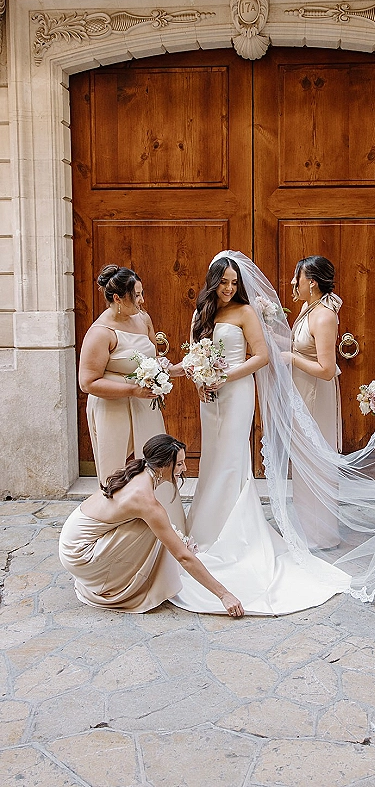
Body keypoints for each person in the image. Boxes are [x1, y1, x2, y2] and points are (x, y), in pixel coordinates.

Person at [171, 255, 351, 615]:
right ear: (212, 281)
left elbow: (262, 356)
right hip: (211, 398)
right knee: (211, 461)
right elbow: (195, 356)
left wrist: (226, 377)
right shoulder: (200, 315)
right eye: (223, 282)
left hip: (237, 396)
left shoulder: (245, 313)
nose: (229, 288)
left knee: (232, 461)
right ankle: (205, 529)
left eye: (234, 283)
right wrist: (198, 381)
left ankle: (234, 534)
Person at [59, 434, 244, 616]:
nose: (184, 468)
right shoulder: (144, 500)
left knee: (158, 526)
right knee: (155, 528)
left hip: (72, 541)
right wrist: (224, 594)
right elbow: (183, 557)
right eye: (179, 464)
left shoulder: (140, 472)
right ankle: (118, 584)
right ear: (164, 465)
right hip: (79, 554)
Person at [78, 265, 186, 529]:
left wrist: (173, 370)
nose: (142, 300)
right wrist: (131, 389)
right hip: (111, 408)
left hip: (145, 405)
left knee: (157, 462)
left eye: (141, 293)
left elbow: (150, 360)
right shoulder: (101, 332)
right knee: (116, 468)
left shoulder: (143, 318)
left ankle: (166, 528)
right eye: (136, 295)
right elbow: (87, 382)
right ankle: (119, 529)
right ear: (117, 298)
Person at [285, 256, 342, 549]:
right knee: (303, 459)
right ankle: (307, 527)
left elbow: (327, 369)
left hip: (315, 396)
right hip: (301, 392)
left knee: (315, 460)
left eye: (298, 277)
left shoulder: (324, 316)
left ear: (313, 282)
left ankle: (320, 533)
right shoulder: (308, 308)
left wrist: (291, 358)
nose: (293, 282)